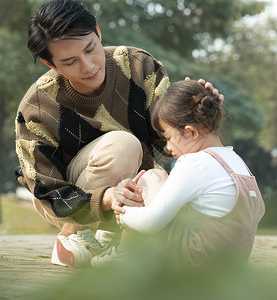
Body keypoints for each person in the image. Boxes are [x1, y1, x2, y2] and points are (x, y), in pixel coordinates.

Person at [15, 0, 222, 268]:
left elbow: (168, 140)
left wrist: (197, 112)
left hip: (133, 187)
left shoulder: (140, 66)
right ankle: (69, 237)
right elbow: (48, 193)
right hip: (69, 199)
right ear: (49, 62)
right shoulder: (37, 107)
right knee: (123, 145)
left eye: (91, 49)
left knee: (162, 187)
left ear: (98, 33)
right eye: (70, 61)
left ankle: (116, 241)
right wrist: (106, 197)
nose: (88, 66)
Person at [91, 79, 265, 269]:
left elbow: (152, 222)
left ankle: (121, 256)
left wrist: (124, 216)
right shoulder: (237, 163)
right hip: (228, 270)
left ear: (190, 132)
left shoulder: (195, 163)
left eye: (168, 137)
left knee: (153, 177)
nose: (168, 146)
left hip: (192, 265)